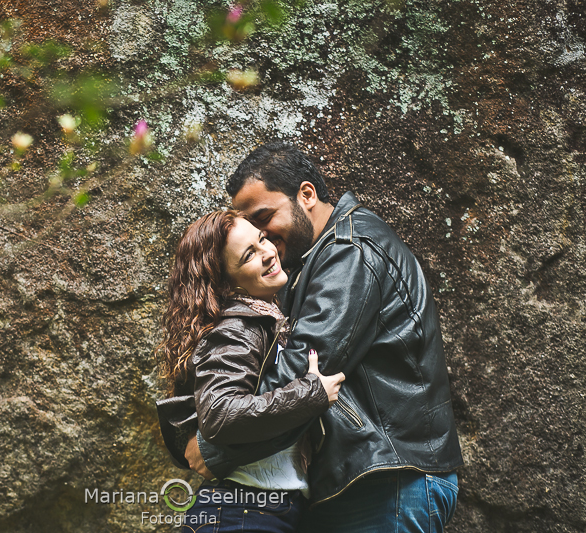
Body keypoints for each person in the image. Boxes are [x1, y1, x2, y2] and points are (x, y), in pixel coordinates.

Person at [164, 142, 464, 532]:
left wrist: (214, 448)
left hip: (387, 482)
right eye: (252, 237)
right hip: (359, 484)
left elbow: (304, 369)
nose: (266, 240)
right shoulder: (304, 265)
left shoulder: (350, 249)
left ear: (306, 195)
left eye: (265, 218)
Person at [156, 210, 346, 533]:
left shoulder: (265, 317)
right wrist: (311, 394)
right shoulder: (237, 327)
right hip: (241, 511)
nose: (269, 253)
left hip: (257, 510)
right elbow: (220, 413)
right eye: (249, 256)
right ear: (226, 282)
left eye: (261, 240)